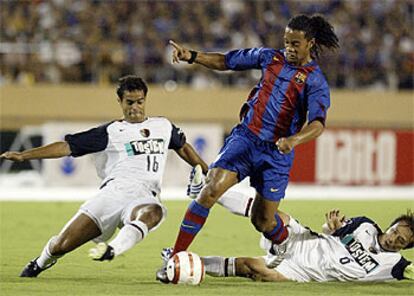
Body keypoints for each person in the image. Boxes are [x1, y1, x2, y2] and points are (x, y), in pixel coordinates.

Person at [157, 14, 340, 282]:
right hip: (246, 138)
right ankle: (175, 255)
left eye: (295, 44)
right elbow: (226, 61)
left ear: (310, 43)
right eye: (286, 42)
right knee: (209, 190)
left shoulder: (315, 81)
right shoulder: (269, 57)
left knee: (263, 222)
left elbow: (318, 123)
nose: (288, 48)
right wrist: (192, 56)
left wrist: (293, 140)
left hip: (277, 153)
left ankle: (287, 242)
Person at [0, 75, 208, 278]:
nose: (135, 107)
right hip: (112, 195)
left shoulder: (163, 126)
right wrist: (23, 155)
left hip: (145, 195)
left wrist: (208, 171)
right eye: (129, 102)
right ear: (119, 101)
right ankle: (39, 263)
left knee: (154, 212)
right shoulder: (111, 131)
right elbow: (66, 147)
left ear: (146, 99)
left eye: (139, 102)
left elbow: (183, 147)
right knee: (61, 245)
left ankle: (113, 249)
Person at [194, 209, 414, 282]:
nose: (393, 239)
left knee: (251, 267)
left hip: (306, 272)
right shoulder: (365, 225)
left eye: (400, 241)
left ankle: (191, 264)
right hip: (308, 244)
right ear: (392, 225)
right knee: (271, 215)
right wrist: (332, 227)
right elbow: (330, 230)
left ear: (405, 248)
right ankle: (210, 191)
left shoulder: (396, 264)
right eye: (395, 230)